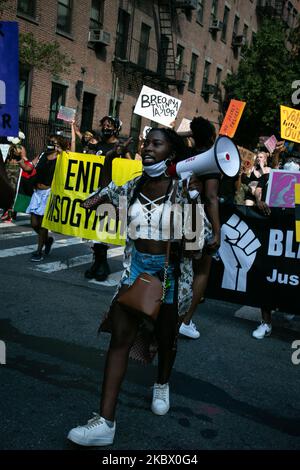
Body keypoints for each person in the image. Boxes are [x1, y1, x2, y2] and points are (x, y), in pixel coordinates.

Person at [67, 128, 206, 447]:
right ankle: (105, 422)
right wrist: (100, 193)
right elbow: (94, 203)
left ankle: (161, 383)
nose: (147, 149)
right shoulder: (134, 185)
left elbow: (197, 249)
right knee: (120, 341)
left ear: (170, 154)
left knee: (166, 338)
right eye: (146, 143)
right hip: (135, 273)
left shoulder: (183, 191)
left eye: (156, 144)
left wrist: (194, 204)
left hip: (169, 276)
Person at [179, 116, 219, 339]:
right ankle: (185, 321)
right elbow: (211, 197)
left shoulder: (183, 155)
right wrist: (217, 232)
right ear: (212, 137)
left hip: (180, 216)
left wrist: (191, 134)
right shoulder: (210, 160)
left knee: (180, 268)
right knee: (202, 270)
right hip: (198, 218)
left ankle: (170, 316)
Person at [84, 115, 132, 282]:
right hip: (96, 190)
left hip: (111, 193)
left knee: (103, 229)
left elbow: (130, 167)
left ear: (116, 128)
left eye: (109, 125)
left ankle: (102, 265)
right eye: (103, 125)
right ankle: (98, 264)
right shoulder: (98, 145)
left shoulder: (120, 146)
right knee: (95, 229)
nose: (105, 128)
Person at [23, 135, 69, 262]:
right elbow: (29, 167)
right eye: (49, 141)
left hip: (48, 192)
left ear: (58, 145)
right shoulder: (43, 154)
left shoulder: (61, 157)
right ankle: (47, 240)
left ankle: (39, 251)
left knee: (43, 225)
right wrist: (20, 160)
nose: (50, 144)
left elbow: (72, 158)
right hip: (36, 192)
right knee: (34, 223)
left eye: (53, 142)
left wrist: (63, 151)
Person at [1, 131, 27, 222]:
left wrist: (19, 154)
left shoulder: (21, 148)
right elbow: (5, 158)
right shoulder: (9, 147)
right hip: (8, 169)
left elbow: (24, 160)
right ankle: (6, 211)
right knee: (6, 190)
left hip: (16, 170)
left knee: (13, 191)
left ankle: (11, 213)